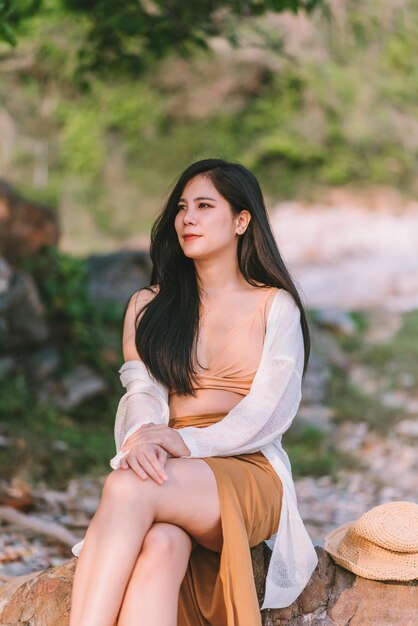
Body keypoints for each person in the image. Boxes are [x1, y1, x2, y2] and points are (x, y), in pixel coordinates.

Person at [69, 158, 318, 626]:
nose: (188, 218)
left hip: (246, 466)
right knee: (162, 543)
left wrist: (189, 443)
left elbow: (270, 410)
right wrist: (144, 434)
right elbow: (140, 391)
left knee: (127, 486)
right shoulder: (150, 306)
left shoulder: (273, 304)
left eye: (205, 206)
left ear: (242, 221)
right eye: (183, 207)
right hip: (170, 460)